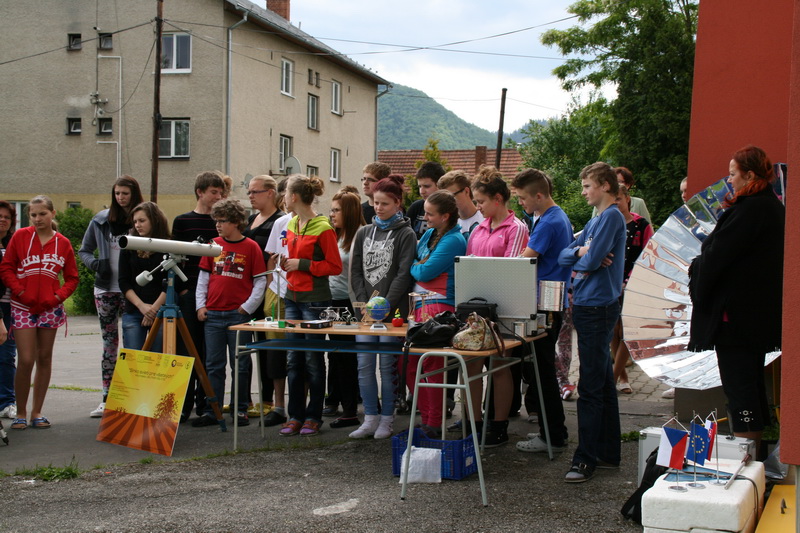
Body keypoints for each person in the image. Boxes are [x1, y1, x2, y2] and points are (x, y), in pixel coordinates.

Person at [688, 145, 784, 457]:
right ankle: (753, 454)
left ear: (750, 175)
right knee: (750, 386)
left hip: (737, 321)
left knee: (740, 390)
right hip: (754, 318)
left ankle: (747, 459)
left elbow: (716, 258)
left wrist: (697, 267)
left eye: (733, 174)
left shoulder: (750, 210)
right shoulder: (768, 207)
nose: (729, 180)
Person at [558, 162, 627, 483]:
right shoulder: (596, 219)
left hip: (597, 307)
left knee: (590, 385)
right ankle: (608, 452)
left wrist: (586, 255)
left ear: (603, 185)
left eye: (587, 186)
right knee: (600, 381)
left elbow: (591, 260)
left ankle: (584, 459)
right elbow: (565, 255)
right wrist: (584, 250)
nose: (583, 192)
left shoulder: (611, 217)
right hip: (588, 304)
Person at [462, 165, 528, 447]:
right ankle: (474, 424)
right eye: (476, 201)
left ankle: (499, 425)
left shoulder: (517, 229)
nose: (478, 207)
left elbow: (511, 272)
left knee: (500, 368)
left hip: (504, 312)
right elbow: (468, 268)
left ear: (498, 199)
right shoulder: (478, 229)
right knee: (472, 366)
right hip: (476, 312)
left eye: (481, 201)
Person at [0, 195, 79, 429]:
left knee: (44, 358)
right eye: (33, 215)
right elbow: (6, 268)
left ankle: (37, 412)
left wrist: (57, 297)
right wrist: (20, 292)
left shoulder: (62, 243)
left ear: (52, 214)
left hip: (50, 308)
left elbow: (72, 278)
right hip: (23, 306)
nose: (37, 219)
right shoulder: (20, 237)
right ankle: (20, 412)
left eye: (42, 214)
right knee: (26, 359)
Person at [349, 174, 416, 440]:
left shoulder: (406, 234)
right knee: (364, 365)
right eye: (376, 203)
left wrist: (384, 304)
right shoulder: (364, 232)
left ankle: (387, 419)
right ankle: (370, 417)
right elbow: (354, 272)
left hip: (392, 312)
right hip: (364, 311)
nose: (378, 208)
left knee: (387, 366)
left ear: (398, 204)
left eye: (385, 204)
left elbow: (403, 273)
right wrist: (364, 305)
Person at [511, 169, 572, 454]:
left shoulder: (548, 222)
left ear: (538, 195)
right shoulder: (554, 216)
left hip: (546, 304)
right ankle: (554, 431)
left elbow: (524, 261)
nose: (521, 203)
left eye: (523, 198)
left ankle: (552, 435)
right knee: (542, 369)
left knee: (542, 371)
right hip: (551, 302)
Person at [193, 199, 267, 428]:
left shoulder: (251, 247)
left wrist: (247, 308)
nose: (218, 225)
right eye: (216, 220)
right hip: (213, 315)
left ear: (236, 222)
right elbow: (203, 278)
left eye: (223, 221)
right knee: (213, 365)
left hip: (238, 317)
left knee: (240, 365)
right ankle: (212, 409)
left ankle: (240, 410)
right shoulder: (212, 245)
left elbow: (260, 280)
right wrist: (200, 306)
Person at [278, 175, 342, 437]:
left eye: (285, 193)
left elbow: (334, 266)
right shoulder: (292, 222)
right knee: (294, 360)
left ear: (294, 197)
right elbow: (293, 258)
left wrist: (302, 265)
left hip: (316, 301)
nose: (283, 197)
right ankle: (295, 415)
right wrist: (286, 262)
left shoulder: (324, 227)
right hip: (291, 297)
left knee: (313, 360)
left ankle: (313, 416)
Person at [78, 175, 144, 418]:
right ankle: (107, 398)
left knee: (132, 343)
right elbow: (83, 249)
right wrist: (96, 264)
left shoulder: (141, 219)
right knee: (109, 345)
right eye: (117, 193)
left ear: (134, 194)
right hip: (106, 288)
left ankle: (132, 398)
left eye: (125, 193)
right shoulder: (100, 220)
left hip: (132, 290)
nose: (120, 197)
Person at [408, 190, 466, 437]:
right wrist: (418, 264)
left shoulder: (454, 240)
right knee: (409, 364)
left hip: (440, 309)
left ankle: (434, 422)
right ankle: (425, 415)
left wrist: (416, 266)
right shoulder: (431, 234)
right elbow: (418, 261)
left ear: (446, 216)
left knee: (431, 366)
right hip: (420, 307)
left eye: (431, 214)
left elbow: (424, 271)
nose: (425, 217)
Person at [172, 171, 225, 423]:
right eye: (214, 192)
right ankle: (183, 404)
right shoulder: (183, 221)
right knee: (186, 349)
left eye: (221, 192)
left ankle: (207, 403)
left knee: (209, 352)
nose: (218, 196)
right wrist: (183, 290)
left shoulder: (222, 223)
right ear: (200, 192)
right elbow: (173, 256)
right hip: (189, 291)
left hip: (214, 295)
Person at [242, 175, 285, 419]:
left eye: (255, 192)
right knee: (256, 347)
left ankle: (271, 400)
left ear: (270, 193)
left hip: (269, 291)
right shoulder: (251, 219)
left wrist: (269, 289)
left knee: (272, 349)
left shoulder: (279, 221)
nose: (250, 196)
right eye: (248, 191)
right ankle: (255, 399)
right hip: (250, 292)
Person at [324, 186, 366, 428]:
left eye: (337, 210)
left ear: (349, 212)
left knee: (348, 358)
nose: (332, 214)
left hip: (351, 304)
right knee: (337, 355)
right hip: (332, 301)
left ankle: (351, 410)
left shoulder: (360, 235)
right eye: (331, 210)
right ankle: (338, 402)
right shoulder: (335, 235)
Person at [612, 185, 653, 394]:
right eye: (613, 200)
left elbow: (648, 256)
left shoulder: (641, 225)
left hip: (633, 285)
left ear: (628, 199)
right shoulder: (608, 224)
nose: (616, 204)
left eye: (619, 199)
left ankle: (612, 379)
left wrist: (630, 280)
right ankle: (622, 377)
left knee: (627, 334)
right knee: (613, 331)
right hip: (610, 285)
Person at [118, 202, 171, 350]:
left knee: (158, 362)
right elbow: (123, 281)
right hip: (134, 309)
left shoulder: (169, 246)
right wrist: (142, 307)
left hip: (161, 311)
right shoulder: (128, 246)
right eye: (135, 222)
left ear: (154, 220)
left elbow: (172, 282)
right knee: (133, 359)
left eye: (142, 221)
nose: (137, 225)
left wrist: (153, 310)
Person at [260, 177, 291, 427]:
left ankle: (302, 409)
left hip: (302, 295)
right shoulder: (280, 222)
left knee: (301, 353)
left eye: (288, 192)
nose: (285, 197)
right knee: (275, 353)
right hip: (277, 292)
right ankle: (279, 406)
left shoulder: (317, 223)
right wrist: (273, 284)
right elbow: (272, 258)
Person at [0, 201, 17, 419]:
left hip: (12, 306)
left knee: (6, 356)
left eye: (6, 217)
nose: (2, 219)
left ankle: (6, 402)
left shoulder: (13, 244)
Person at [438, 169, 484, 240]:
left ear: (466, 191)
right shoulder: (447, 224)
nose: (448, 201)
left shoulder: (486, 219)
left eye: (452, 196)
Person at [405, 162, 446, 239]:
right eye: (420, 186)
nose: (421, 191)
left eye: (426, 186)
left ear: (440, 185)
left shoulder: (450, 209)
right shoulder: (416, 207)